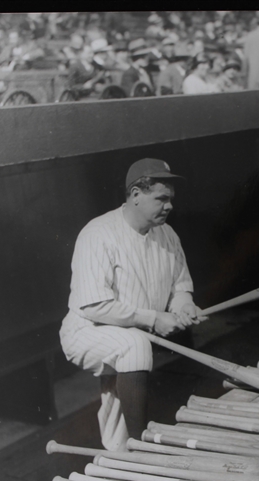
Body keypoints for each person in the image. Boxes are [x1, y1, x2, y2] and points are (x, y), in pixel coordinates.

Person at [59, 158, 205, 445]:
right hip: (87, 330)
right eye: (162, 198)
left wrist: (184, 306)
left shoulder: (168, 235)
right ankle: (142, 446)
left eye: (171, 199)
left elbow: (181, 286)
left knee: (118, 408)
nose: (169, 206)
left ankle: (120, 456)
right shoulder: (98, 233)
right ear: (136, 195)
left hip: (128, 332)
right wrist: (153, 319)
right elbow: (94, 306)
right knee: (134, 347)